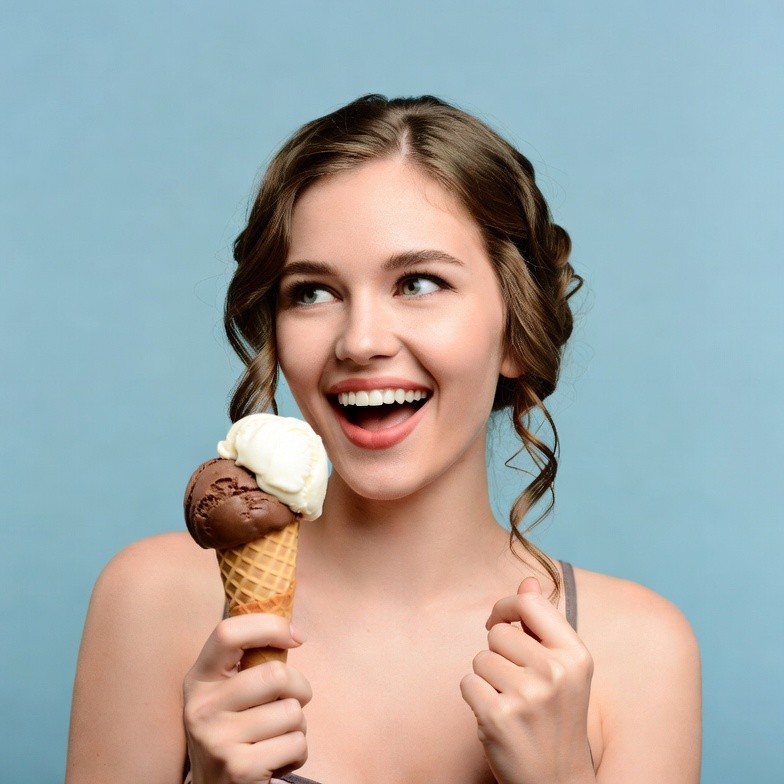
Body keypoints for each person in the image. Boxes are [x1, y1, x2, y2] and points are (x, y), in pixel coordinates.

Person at [66, 95, 701, 784]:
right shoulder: (152, 603)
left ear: (517, 329)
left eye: (418, 282)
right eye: (312, 292)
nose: (360, 341)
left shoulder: (640, 652)